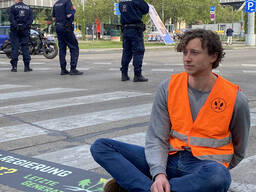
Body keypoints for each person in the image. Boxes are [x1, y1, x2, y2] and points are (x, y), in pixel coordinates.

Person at [90, 29, 250, 192]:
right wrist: (159, 174)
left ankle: (141, 186)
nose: (187, 58)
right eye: (184, 52)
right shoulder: (169, 87)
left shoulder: (235, 98)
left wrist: (208, 173)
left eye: (194, 53)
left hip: (203, 167)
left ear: (213, 57)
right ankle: (152, 188)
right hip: (169, 159)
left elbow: (239, 150)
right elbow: (156, 137)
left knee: (219, 176)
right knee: (101, 147)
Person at [119, 0, 149, 82]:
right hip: (135, 30)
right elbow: (146, 9)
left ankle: (124, 74)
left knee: (126, 52)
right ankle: (137, 74)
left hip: (125, 29)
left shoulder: (121, 1)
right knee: (138, 51)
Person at [52, 0, 83, 75]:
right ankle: (73, 69)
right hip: (66, 27)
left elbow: (53, 18)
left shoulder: (56, 3)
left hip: (58, 27)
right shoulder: (67, 2)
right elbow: (68, 15)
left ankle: (63, 69)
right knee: (74, 47)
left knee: (62, 48)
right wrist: (74, 10)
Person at [8, 0, 33, 72]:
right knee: (25, 48)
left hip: (15, 30)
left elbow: (11, 19)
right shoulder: (28, 8)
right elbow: (30, 19)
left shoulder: (13, 7)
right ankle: (27, 66)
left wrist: (16, 26)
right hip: (25, 30)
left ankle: (14, 67)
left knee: (15, 48)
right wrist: (24, 26)